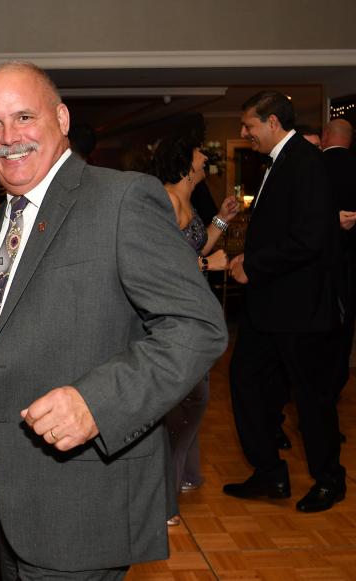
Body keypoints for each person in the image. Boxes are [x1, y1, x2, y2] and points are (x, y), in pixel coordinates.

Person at [0, 61, 227, 579]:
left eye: (23, 117)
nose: (8, 137)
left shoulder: (121, 199)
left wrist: (97, 403)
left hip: (81, 502)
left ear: (61, 118)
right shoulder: (0, 225)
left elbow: (198, 327)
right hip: (9, 502)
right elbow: (1, 336)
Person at [225, 90, 345, 513]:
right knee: (245, 382)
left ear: (272, 122)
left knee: (311, 399)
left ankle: (330, 479)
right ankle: (270, 473)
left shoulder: (306, 162)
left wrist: (254, 266)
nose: (245, 133)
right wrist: (248, 259)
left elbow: (310, 239)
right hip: (269, 306)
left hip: (298, 307)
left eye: (249, 126)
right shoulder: (280, 162)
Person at [150, 134, 239, 525]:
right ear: (186, 159)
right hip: (174, 316)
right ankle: (162, 500)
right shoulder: (166, 200)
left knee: (191, 399)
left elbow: (196, 248)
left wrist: (223, 217)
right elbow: (162, 265)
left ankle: (180, 477)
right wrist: (209, 268)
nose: (208, 157)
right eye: (202, 152)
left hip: (193, 312)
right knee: (189, 403)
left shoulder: (185, 200)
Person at [322, 118, 356, 396]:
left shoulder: (315, 167)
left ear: (325, 136)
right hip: (349, 269)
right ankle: (333, 388)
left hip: (317, 267)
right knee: (342, 333)